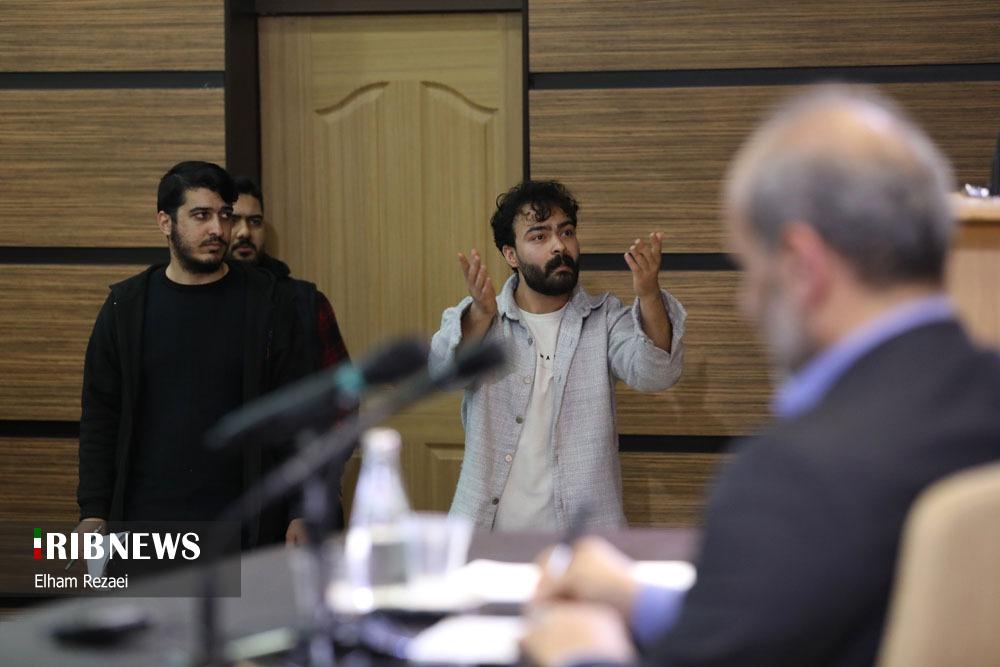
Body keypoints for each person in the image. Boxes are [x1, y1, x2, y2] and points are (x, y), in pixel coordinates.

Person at [521, 85, 1000, 666]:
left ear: (802, 266)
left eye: (752, 270)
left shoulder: (795, 476)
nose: (748, 302)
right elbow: (799, 612)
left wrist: (582, 652)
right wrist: (637, 599)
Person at [429, 180, 686, 531]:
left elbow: (656, 374)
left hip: (584, 540)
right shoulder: (484, 317)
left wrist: (650, 294)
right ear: (511, 255)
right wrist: (479, 314)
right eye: (539, 236)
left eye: (566, 232)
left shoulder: (604, 318)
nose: (559, 246)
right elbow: (440, 375)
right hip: (488, 536)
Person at [76, 161, 308, 549]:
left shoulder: (268, 303)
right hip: (148, 523)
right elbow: (101, 417)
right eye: (201, 215)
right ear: (165, 222)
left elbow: (297, 411)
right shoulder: (126, 308)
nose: (218, 229)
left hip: (246, 524)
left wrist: (300, 509)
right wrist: (94, 511)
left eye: (224, 215)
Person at [226, 175, 352, 538]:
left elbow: (343, 400)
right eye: (234, 220)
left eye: (254, 221)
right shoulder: (201, 306)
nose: (244, 233)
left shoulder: (304, 302)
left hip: (299, 494)